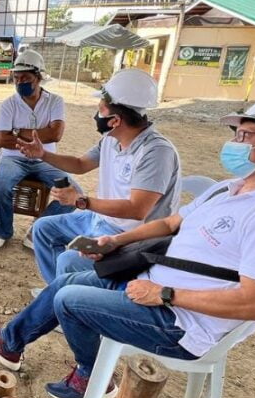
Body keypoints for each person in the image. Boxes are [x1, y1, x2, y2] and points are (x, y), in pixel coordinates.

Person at [0, 92, 255, 398]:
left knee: (69, 300)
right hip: (151, 282)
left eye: (249, 134)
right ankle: (10, 343)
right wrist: (114, 240)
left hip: (181, 323)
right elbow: (174, 222)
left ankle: (92, 374)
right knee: (66, 280)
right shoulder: (232, 187)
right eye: (238, 133)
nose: (237, 142)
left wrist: (165, 294)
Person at [20, 69, 181, 283]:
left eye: (100, 110)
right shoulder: (111, 139)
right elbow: (80, 164)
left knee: (69, 260)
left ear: (115, 120)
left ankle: (61, 295)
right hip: (100, 219)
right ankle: (56, 291)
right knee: (43, 229)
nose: (96, 115)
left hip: (130, 236)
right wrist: (43, 154)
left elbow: (137, 209)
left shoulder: (156, 152)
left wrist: (80, 201)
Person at [0, 49, 77, 249]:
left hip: (46, 159)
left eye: (26, 78)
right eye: (16, 78)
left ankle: (37, 230)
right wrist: (37, 135)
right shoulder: (8, 104)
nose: (20, 83)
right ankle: (3, 231)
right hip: (13, 158)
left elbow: (55, 134)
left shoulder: (55, 101)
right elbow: (1, 139)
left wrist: (17, 132)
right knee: (1, 185)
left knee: (75, 193)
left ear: (39, 78)